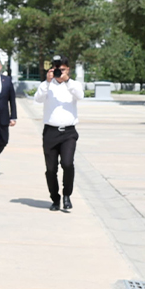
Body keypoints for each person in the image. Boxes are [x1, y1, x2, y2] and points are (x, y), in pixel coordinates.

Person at [35, 56, 81, 211]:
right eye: (57, 69)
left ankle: (67, 194)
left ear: (68, 69)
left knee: (67, 164)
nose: (60, 72)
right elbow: (38, 99)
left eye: (63, 69)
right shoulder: (47, 85)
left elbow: (80, 96)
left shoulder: (73, 84)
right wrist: (47, 82)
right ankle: (55, 198)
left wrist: (67, 80)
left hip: (68, 132)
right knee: (51, 169)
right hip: (50, 132)